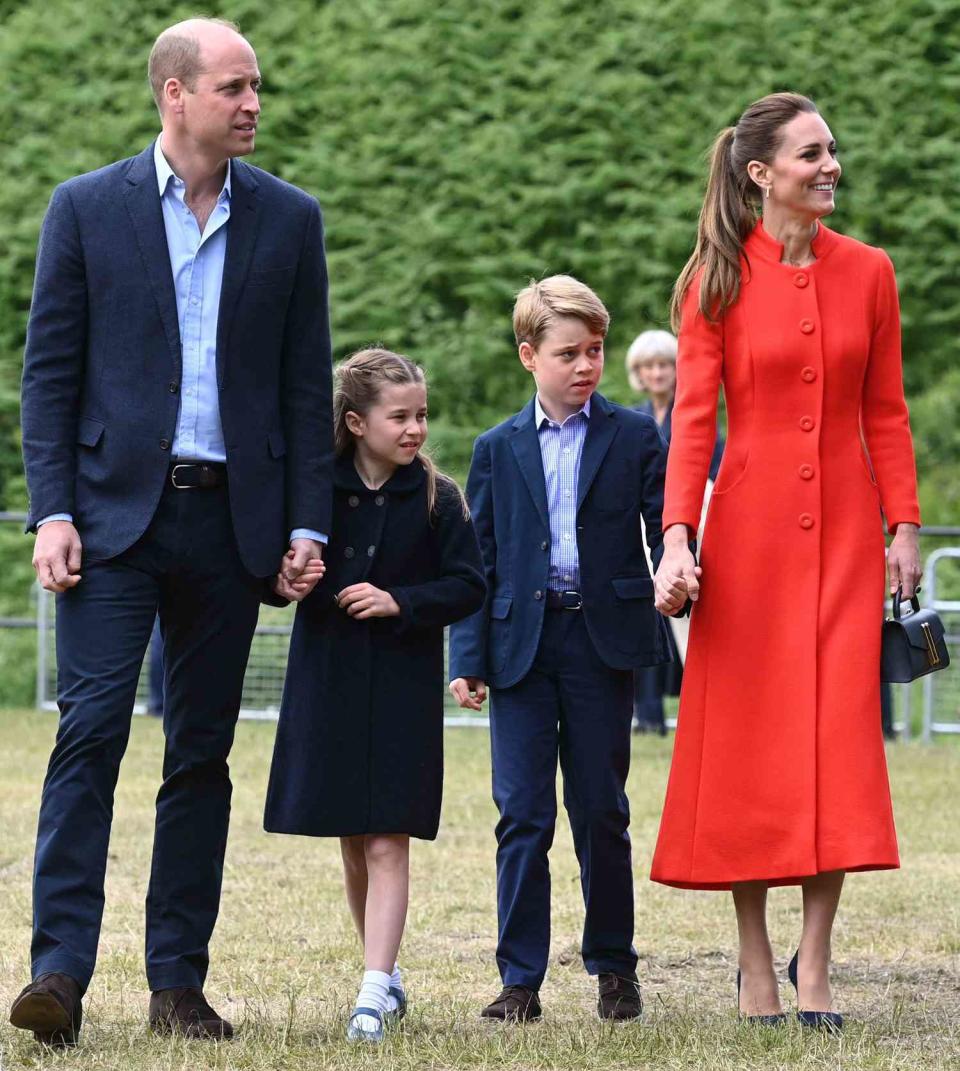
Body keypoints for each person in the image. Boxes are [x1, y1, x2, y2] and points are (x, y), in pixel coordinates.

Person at [11, 18, 332, 1046]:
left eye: (255, 89)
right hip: (112, 521)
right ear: (174, 95)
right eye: (234, 88)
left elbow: (299, 385)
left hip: (232, 525)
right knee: (91, 730)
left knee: (199, 754)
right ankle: (57, 973)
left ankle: (177, 984)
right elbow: (49, 376)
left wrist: (305, 523)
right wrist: (53, 509)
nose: (252, 105)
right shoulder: (86, 209)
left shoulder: (290, 220)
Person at [651, 92, 922, 1030]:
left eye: (833, 150)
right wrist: (680, 533)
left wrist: (906, 526)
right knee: (751, 748)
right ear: (762, 173)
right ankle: (755, 962)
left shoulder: (872, 272)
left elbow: (885, 410)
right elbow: (693, 425)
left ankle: (819, 964)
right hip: (751, 540)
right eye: (812, 154)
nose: (831, 166)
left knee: (838, 744)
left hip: (849, 536)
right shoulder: (713, 284)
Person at [449, 276, 672, 1023]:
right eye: (568, 352)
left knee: (601, 809)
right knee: (521, 814)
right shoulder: (496, 449)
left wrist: (679, 565)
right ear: (528, 355)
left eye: (596, 351)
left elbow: (666, 525)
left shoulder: (636, 436)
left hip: (600, 642)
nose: (586, 366)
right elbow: (478, 561)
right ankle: (520, 979)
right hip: (520, 647)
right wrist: (466, 656)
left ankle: (614, 964)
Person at [264, 349, 485, 1043]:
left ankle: (368, 992)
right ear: (357, 421)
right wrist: (289, 578)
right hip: (326, 679)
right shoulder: (312, 493)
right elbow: (274, 573)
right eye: (402, 416)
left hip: (400, 686)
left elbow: (469, 585)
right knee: (354, 839)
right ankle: (382, 975)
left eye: (422, 414)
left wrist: (401, 601)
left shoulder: (438, 497)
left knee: (390, 835)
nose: (417, 428)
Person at [625, 329, 725, 733]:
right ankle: (647, 715)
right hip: (642, 532)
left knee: (688, 619)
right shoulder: (635, 419)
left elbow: (713, 475)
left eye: (665, 364)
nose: (658, 373)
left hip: (690, 528)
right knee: (644, 618)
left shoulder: (697, 417)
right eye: (649, 366)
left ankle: (707, 712)